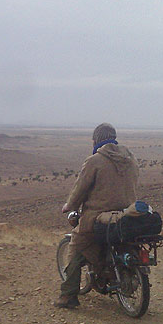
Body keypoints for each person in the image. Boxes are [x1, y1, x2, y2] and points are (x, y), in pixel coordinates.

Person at [54, 123, 139, 309]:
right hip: (127, 215)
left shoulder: (94, 161)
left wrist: (70, 205)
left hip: (98, 217)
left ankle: (68, 296)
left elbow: (80, 189)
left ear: (97, 140)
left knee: (76, 246)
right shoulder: (130, 158)